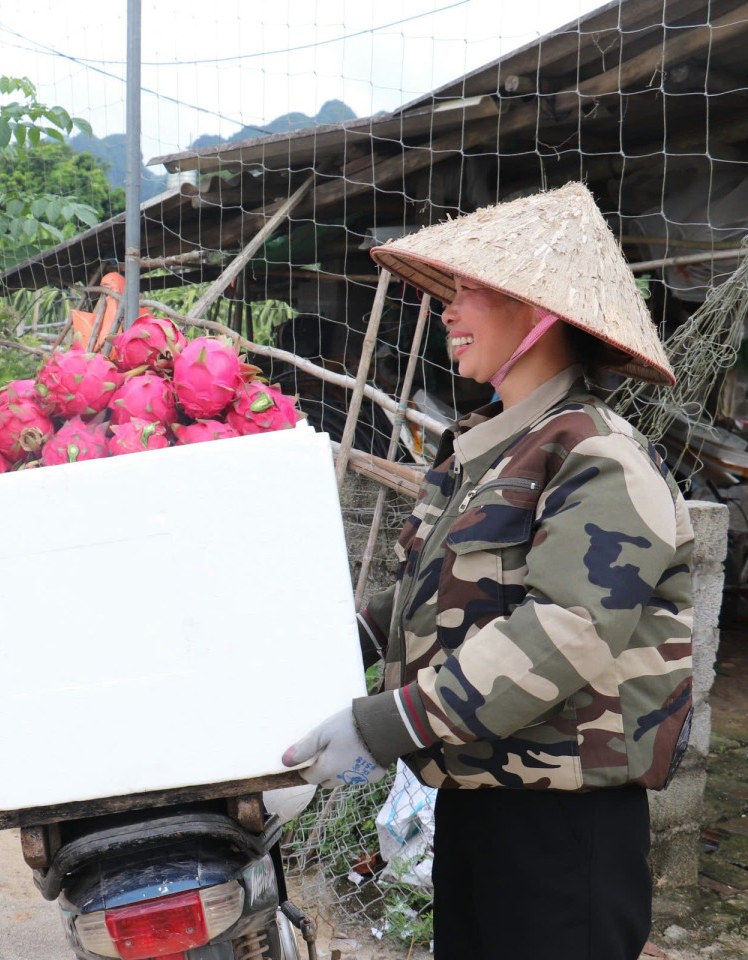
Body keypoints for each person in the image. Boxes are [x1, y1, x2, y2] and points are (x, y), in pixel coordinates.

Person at [283, 183, 695, 960]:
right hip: (478, 797)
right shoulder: (485, 451)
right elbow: (428, 598)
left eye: (472, 290)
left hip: (564, 822)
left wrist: (386, 724)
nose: (447, 309)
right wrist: (333, 642)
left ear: (541, 313)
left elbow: (564, 630)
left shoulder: (597, 456)